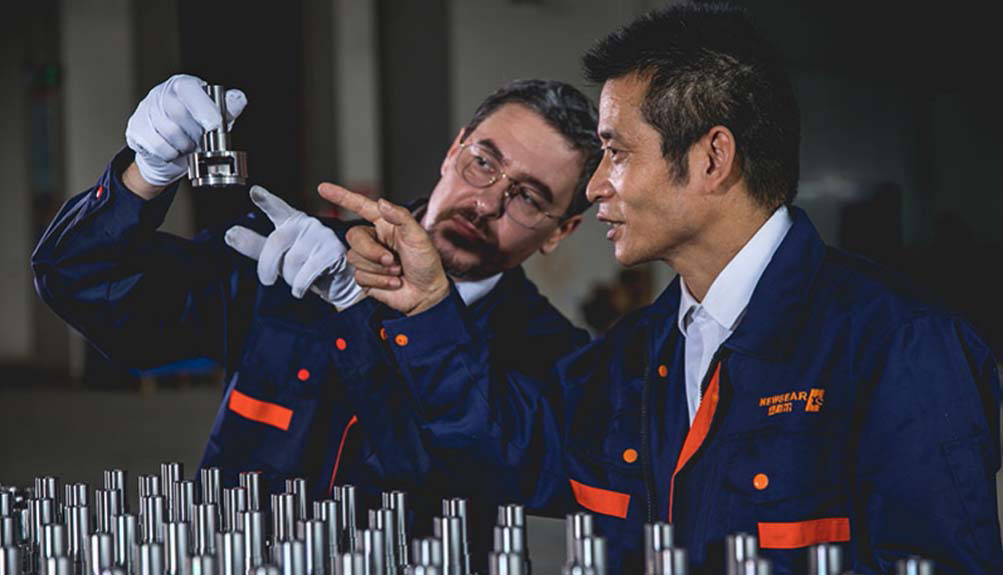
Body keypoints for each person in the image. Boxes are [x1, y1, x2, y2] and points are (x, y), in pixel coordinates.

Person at [321, 3, 1003, 574]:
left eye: (616, 153)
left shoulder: (901, 348)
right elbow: (496, 449)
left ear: (711, 158)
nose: (595, 187)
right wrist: (429, 306)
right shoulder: (629, 360)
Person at [30, 75, 599, 530]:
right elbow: (90, 289)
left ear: (561, 231)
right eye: (484, 163)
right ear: (454, 150)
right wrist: (145, 175)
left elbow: (487, 469)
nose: (486, 203)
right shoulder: (290, 252)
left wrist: (361, 312)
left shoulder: (552, 357)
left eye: (528, 197)